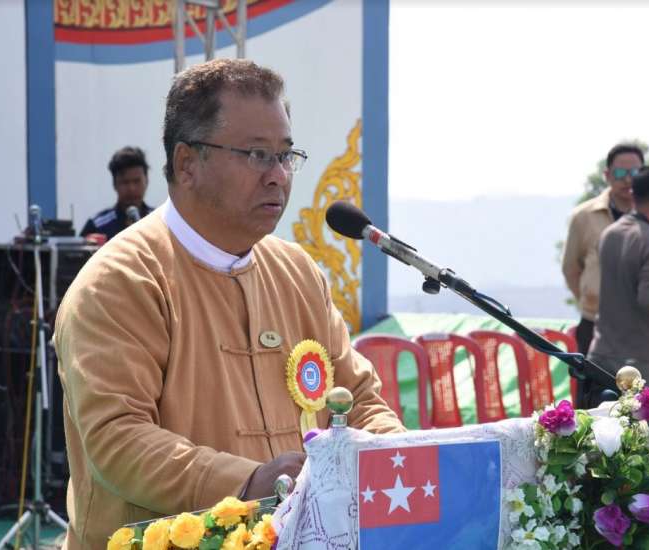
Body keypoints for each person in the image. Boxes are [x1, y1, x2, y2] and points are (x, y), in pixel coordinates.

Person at [54, 59, 404, 550]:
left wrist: (400, 458)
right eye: (257, 155)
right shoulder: (120, 282)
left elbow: (359, 400)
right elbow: (119, 437)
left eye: (286, 155)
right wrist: (248, 483)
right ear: (186, 163)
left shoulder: (298, 273)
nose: (278, 176)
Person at [561, 143, 649, 359]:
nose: (628, 180)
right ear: (607, 175)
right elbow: (571, 269)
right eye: (620, 174)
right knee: (596, 381)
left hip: (646, 327)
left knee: (645, 382)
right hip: (596, 325)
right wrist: (590, 300)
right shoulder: (583, 216)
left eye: (635, 173)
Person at [584, 166, 649, 409]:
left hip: (602, 351)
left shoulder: (609, 234)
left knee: (601, 427)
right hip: (643, 358)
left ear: (633, 194)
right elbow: (648, 299)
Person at [79, 146, 154, 240]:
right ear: (114, 184)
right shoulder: (97, 226)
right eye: (125, 182)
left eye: (136, 181)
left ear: (146, 181)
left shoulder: (159, 222)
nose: (131, 188)